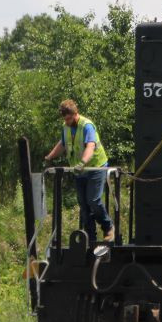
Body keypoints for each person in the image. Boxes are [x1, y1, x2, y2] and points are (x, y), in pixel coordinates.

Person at [43, 99, 114, 244]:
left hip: (95, 167)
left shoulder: (86, 126)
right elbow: (62, 144)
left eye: (69, 118)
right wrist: (49, 156)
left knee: (93, 200)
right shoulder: (66, 127)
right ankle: (90, 238)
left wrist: (83, 162)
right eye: (65, 119)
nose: (67, 121)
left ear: (76, 113)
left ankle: (108, 227)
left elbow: (90, 146)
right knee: (83, 204)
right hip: (79, 171)